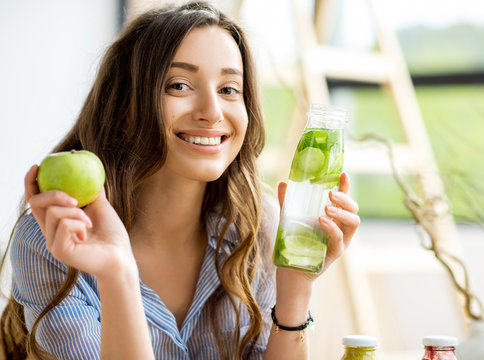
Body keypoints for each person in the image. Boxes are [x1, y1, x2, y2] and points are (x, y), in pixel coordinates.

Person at [0, 1, 360, 359]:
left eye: (229, 89)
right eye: (179, 85)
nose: (212, 112)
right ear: (125, 108)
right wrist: (118, 273)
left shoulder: (256, 227)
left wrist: (295, 285)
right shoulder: (53, 242)